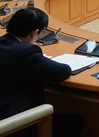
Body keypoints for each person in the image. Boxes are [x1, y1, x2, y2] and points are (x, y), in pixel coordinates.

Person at [0, 8, 83, 137]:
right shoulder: (26, 53)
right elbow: (62, 71)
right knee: (75, 122)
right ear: (34, 32)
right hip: (12, 125)